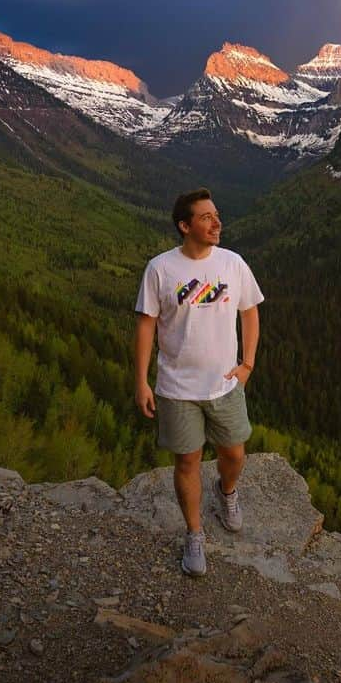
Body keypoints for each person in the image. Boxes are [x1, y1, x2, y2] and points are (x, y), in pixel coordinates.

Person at [134, 188, 263, 577]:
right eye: (206, 217)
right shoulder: (160, 269)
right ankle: (194, 533)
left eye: (217, 215)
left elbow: (251, 312)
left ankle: (227, 492)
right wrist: (141, 381)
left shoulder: (233, 263)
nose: (216, 222)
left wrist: (247, 365)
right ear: (185, 226)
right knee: (187, 461)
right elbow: (146, 325)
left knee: (235, 454)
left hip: (224, 384)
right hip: (177, 388)